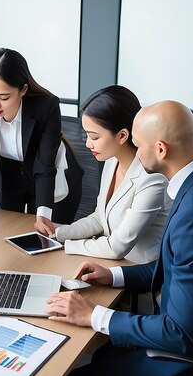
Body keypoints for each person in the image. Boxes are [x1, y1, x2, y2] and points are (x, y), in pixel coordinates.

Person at [46, 101, 193, 376]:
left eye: (138, 146)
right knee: (95, 359)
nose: (135, 154)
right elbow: (174, 263)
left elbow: (179, 333)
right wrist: (112, 276)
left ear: (161, 149)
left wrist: (93, 315)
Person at [0, 48, 82, 232]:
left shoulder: (46, 106)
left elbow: (45, 165)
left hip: (51, 179)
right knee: (9, 234)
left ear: (23, 90)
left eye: (4, 97)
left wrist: (43, 214)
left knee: (47, 240)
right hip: (10, 176)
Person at [55, 85, 172, 263]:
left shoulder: (152, 178)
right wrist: (58, 234)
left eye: (94, 137)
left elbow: (117, 247)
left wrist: (67, 246)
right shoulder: (112, 161)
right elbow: (100, 218)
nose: (88, 144)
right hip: (109, 262)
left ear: (122, 135)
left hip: (139, 271)